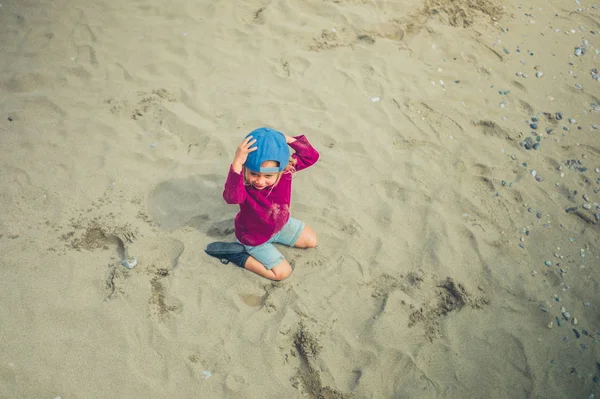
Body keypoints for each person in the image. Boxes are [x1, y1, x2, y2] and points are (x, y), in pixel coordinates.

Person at [205, 127, 320, 280]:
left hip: (280, 225)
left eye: (268, 176)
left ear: (281, 169)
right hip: (254, 238)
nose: (260, 181)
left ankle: (272, 239)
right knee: (282, 273)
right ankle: (239, 256)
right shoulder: (244, 183)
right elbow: (232, 198)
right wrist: (237, 162)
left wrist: (283, 138)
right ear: (246, 169)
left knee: (312, 241)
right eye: (254, 173)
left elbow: (311, 156)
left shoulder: (286, 171)